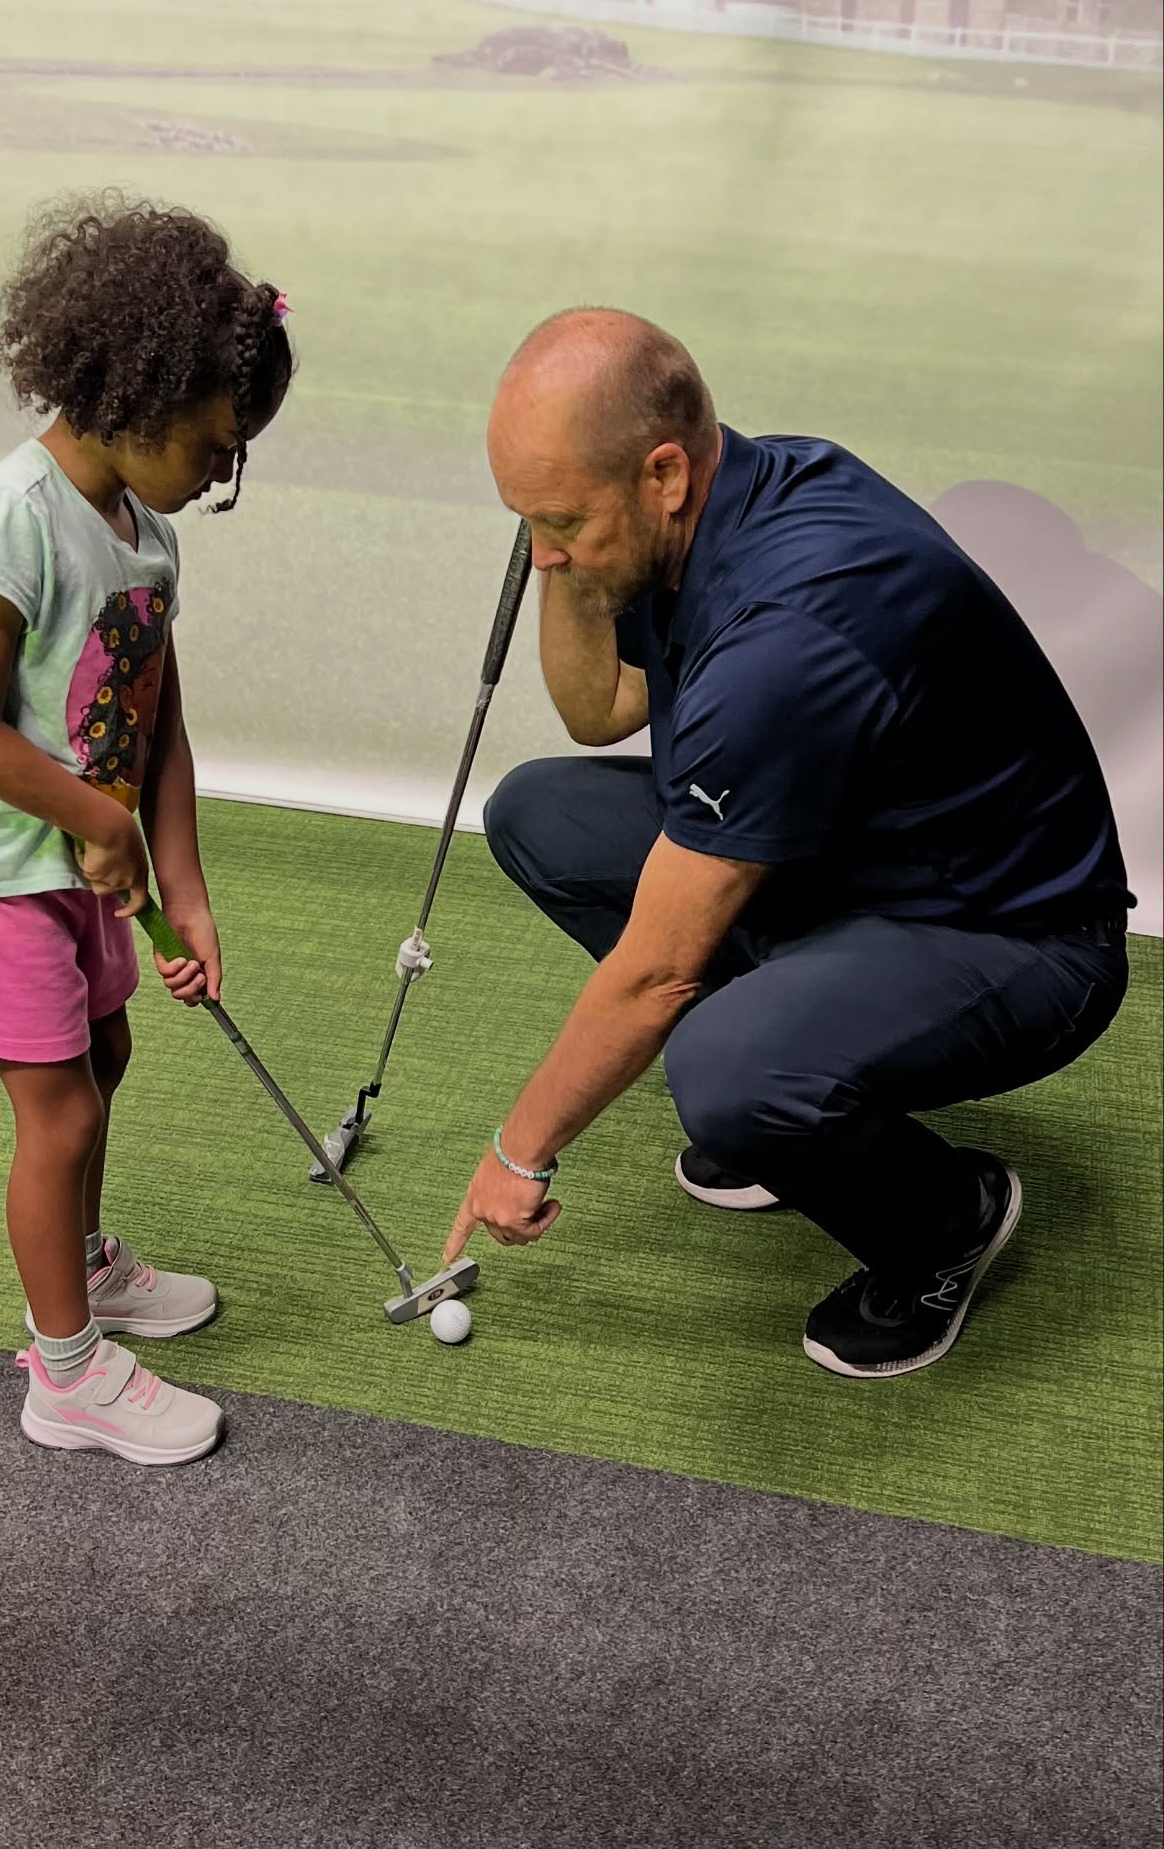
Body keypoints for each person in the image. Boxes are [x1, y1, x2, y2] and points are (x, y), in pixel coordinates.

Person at [443, 309, 1132, 1380]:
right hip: (853, 869)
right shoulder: (721, 494)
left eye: (565, 518)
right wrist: (561, 548)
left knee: (719, 1063)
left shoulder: (794, 625)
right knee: (542, 814)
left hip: (1018, 939)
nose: (544, 551)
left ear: (664, 473)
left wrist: (515, 1152)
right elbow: (598, 709)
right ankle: (795, 1106)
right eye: (527, 521)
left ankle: (948, 1221)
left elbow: (659, 973)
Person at [0, 195, 294, 1461]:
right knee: (57, 1114)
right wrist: (93, 821)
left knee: (104, 1060)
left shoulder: (148, 537)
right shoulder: (12, 517)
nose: (223, 473)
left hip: (80, 863)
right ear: (133, 390)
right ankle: (64, 1372)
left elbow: (157, 720)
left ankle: (81, 1266)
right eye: (215, 444)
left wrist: (184, 881)